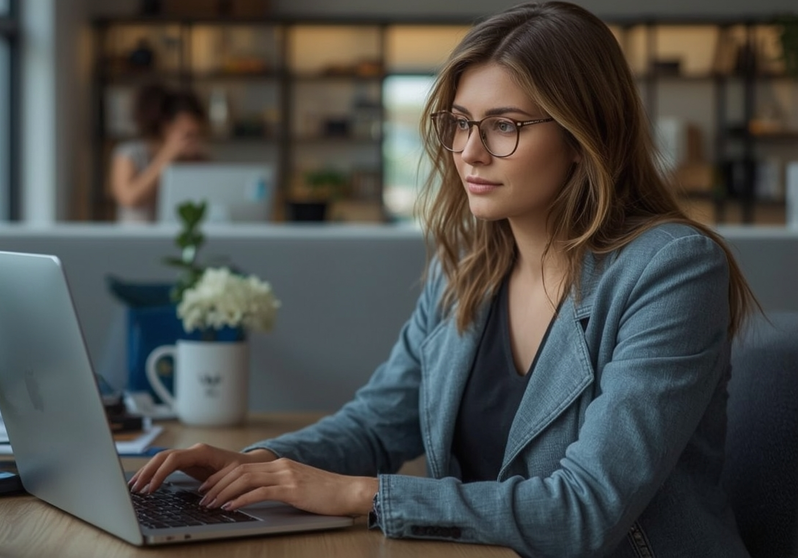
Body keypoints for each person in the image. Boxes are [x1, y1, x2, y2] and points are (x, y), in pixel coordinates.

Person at [129, 3, 758, 556]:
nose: (470, 152)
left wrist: (359, 495)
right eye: (459, 123)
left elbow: (584, 511)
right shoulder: (468, 266)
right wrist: (256, 465)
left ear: (583, 136)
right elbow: (377, 425)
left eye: (504, 125)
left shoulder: (671, 269)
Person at [109, 84, 208, 223]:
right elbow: (129, 198)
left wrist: (195, 163)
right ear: (166, 126)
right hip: (135, 240)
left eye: (196, 135)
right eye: (187, 134)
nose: (192, 141)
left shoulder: (193, 159)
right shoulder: (129, 153)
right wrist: (168, 156)